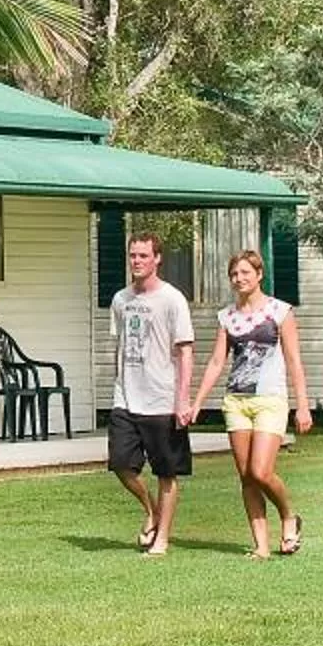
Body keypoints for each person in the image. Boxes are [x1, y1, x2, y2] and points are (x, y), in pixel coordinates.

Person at [182, 250, 310, 558]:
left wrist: (302, 406)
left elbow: (293, 360)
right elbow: (216, 361)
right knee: (246, 476)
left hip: (270, 399)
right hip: (236, 401)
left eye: (245, 273)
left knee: (260, 471)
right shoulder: (227, 317)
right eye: (234, 275)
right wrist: (197, 401)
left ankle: (289, 516)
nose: (239, 279)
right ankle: (261, 546)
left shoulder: (280, 311)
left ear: (259, 274)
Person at [108, 231, 196, 556]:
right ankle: (152, 512)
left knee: (166, 472)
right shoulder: (121, 300)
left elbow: (185, 351)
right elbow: (119, 344)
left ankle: (162, 539)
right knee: (120, 463)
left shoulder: (172, 299)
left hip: (162, 399)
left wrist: (182, 399)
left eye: (143, 256)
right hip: (126, 397)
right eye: (133, 255)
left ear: (157, 258)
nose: (137, 261)